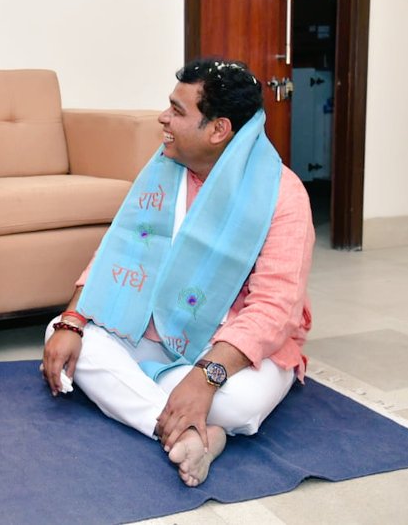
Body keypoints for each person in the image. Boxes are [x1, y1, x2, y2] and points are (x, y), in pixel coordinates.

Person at [41, 58, 314, 486]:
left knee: (239, 406)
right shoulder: (163, 173)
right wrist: (73, 319)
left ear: (218, 130)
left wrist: (206, 377)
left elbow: (275, 308)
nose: (163, 118)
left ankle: (162, 400)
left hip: (230, 345)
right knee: (63, 337)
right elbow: (117, 252)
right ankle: (190, 433)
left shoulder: (282, 194)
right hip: (150, 327)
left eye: (177, 110)